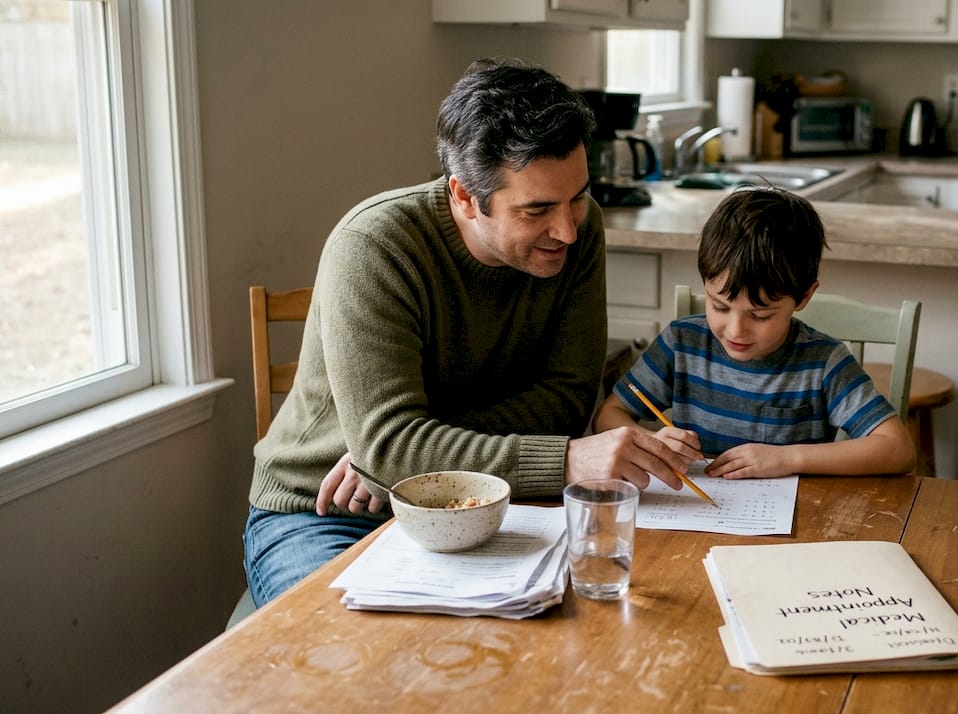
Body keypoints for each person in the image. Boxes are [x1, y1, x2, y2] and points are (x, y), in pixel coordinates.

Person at [244, 59, 692, 606]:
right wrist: (565, 459)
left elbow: (568, 399)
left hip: (493, 503)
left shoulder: (581, 228)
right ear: (462, 195)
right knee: (352, 667)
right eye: (537, 210)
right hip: (327, 510)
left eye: (577, 196)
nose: (568, 229)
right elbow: (392, 447)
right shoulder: (374, 246)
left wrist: (414, 456)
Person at [593, 188, 916, 480]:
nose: (736, 330)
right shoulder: (681, 343)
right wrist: (648, 441)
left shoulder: (823, 362)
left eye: (760, 315)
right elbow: (609, 415)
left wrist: (788, 458)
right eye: (719, 307)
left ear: (803, 297)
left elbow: (898, 449)